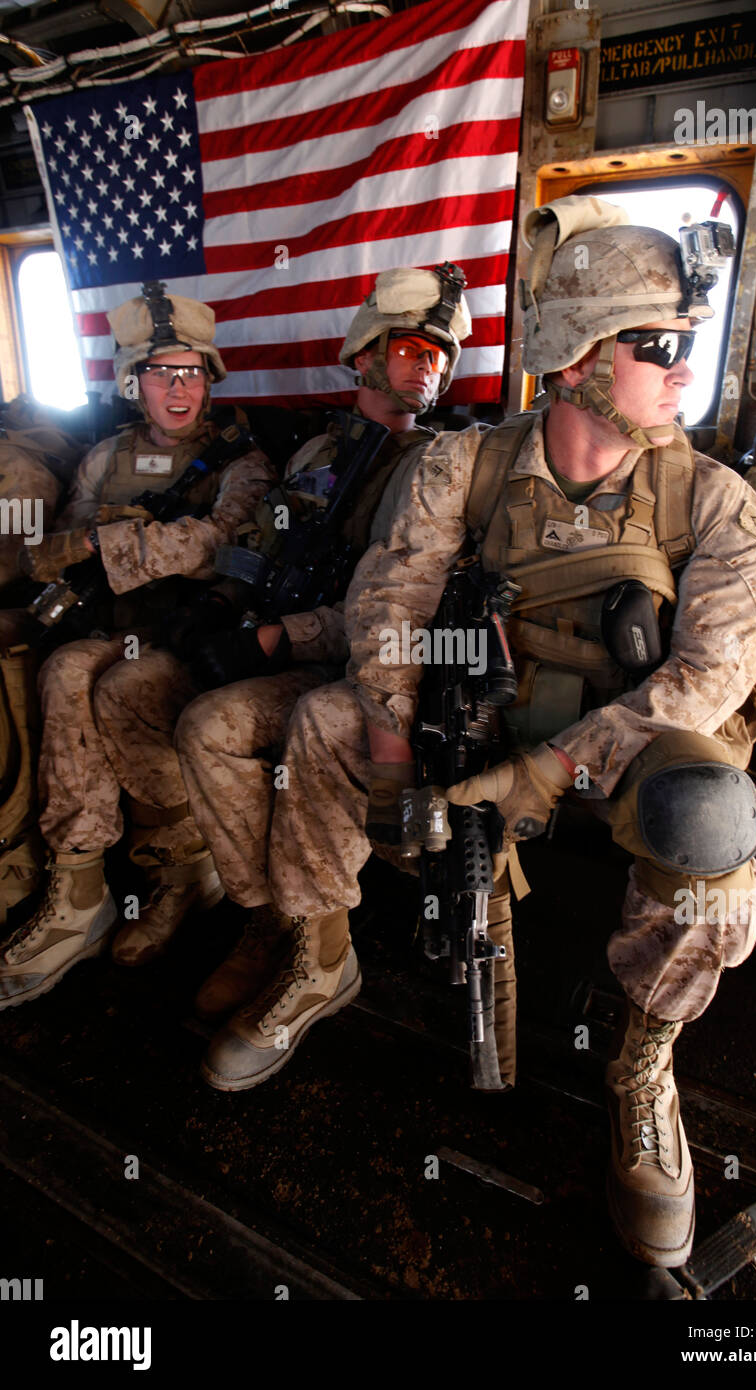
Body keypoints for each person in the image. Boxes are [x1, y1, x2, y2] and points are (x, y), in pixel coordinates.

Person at [197, 197, 756, 1271]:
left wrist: (551, 770)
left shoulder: (715, 503)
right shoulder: (459, 467)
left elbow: (707, 677)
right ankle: (319, 958)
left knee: (711, 829)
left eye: (682, 344)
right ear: (570, 361)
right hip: (483, 711)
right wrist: (390, 748)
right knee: (326, 720)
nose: (678, 367)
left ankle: (642, 1070)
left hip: (625, 748)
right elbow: (388, 607)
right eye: (651, 344)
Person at [174, 264, 470, 1029]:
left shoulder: (437, 471)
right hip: (288, 648)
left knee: (296, 724)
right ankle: (269, 915)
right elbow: (266, 541)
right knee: (205, 727)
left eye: (439, 356)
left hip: (365, 666)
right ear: (366, 354)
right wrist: (227, 600)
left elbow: (398, 608)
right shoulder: (316, 455)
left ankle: (321, 948)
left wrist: (280, 638)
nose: (427, 367)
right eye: (411, 349)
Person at [0, 282, 274, 1007]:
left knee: (123, 686)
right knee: (61, 671)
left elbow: (221, 545)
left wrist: (112, 542)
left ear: (209, 381)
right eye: (159, 373)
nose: (177, 388)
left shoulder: (240, 462)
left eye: (190, 372)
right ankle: (79, 886)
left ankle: (181, 866)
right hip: (113, 629)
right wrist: (84, 541)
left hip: (194, 637)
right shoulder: (103, 457)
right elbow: (53, 548)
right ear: (133, 384)